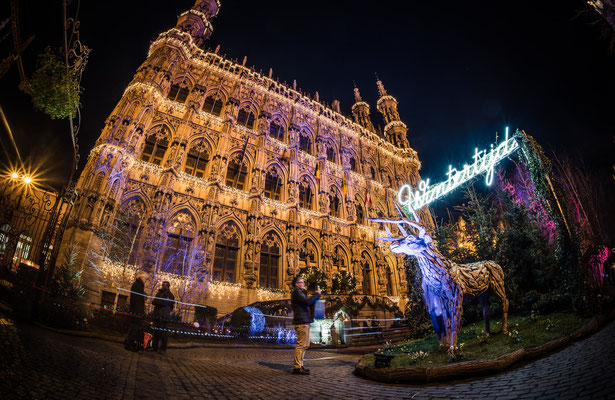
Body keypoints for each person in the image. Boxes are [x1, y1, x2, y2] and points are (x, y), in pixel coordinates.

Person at [290, 275, 321, 375]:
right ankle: (297, 367)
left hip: (305, 320)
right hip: (301, 321)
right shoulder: (296, 292)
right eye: (302, 282)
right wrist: (317, 295)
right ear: (297, 284)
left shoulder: (301, 293)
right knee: (301, 344)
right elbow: (307, 302)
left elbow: (308, 302)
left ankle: (300, 365)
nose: (304, 284)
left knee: (305, 344)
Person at [124, 271, 148, 352]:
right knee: (134, 328)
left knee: (134, 328)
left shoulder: (138, 285)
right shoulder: (138, 285)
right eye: (145, 278)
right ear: (142, 277)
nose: (146, 280)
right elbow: (137, 299)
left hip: (136, 310)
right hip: (136, 311)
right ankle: (129, 344)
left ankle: (130, 343)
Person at [152, 281, 175, 354]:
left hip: (164, 316)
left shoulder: (170, 295)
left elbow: (166, 303)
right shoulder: (159, 293)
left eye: (165, 285)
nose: (163, 286)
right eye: (163, 285)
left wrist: (159, 302)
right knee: (156, 332)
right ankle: (154, 347)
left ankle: (163, 348)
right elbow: (154, 302)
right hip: (157, 315)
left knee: (163, 334)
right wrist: (160, 302)